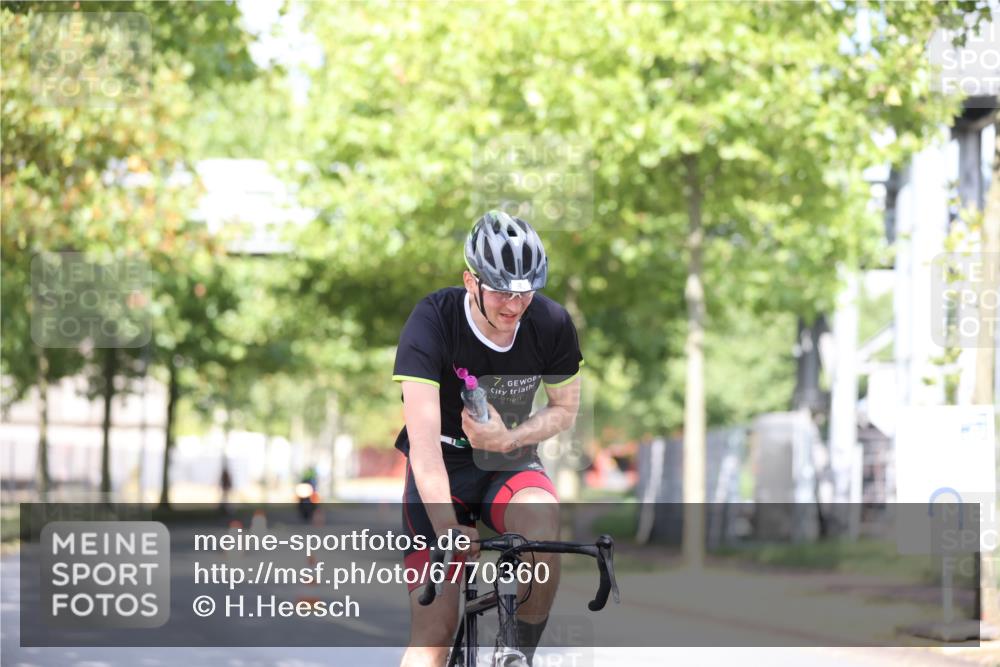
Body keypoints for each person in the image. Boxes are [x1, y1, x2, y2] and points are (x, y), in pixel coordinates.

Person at [393, 211, 583, 667]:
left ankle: (516, 653)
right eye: (501, 292)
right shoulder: (432, 320)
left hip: (510, 464)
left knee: (542, 523)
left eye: (525, 293)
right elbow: (422, 444)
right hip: (441, 466)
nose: (514, 306)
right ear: (470, 280)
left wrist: (509, 438)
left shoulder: (553, 323)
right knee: (434, 634)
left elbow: (564, 409)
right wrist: (445, 530)